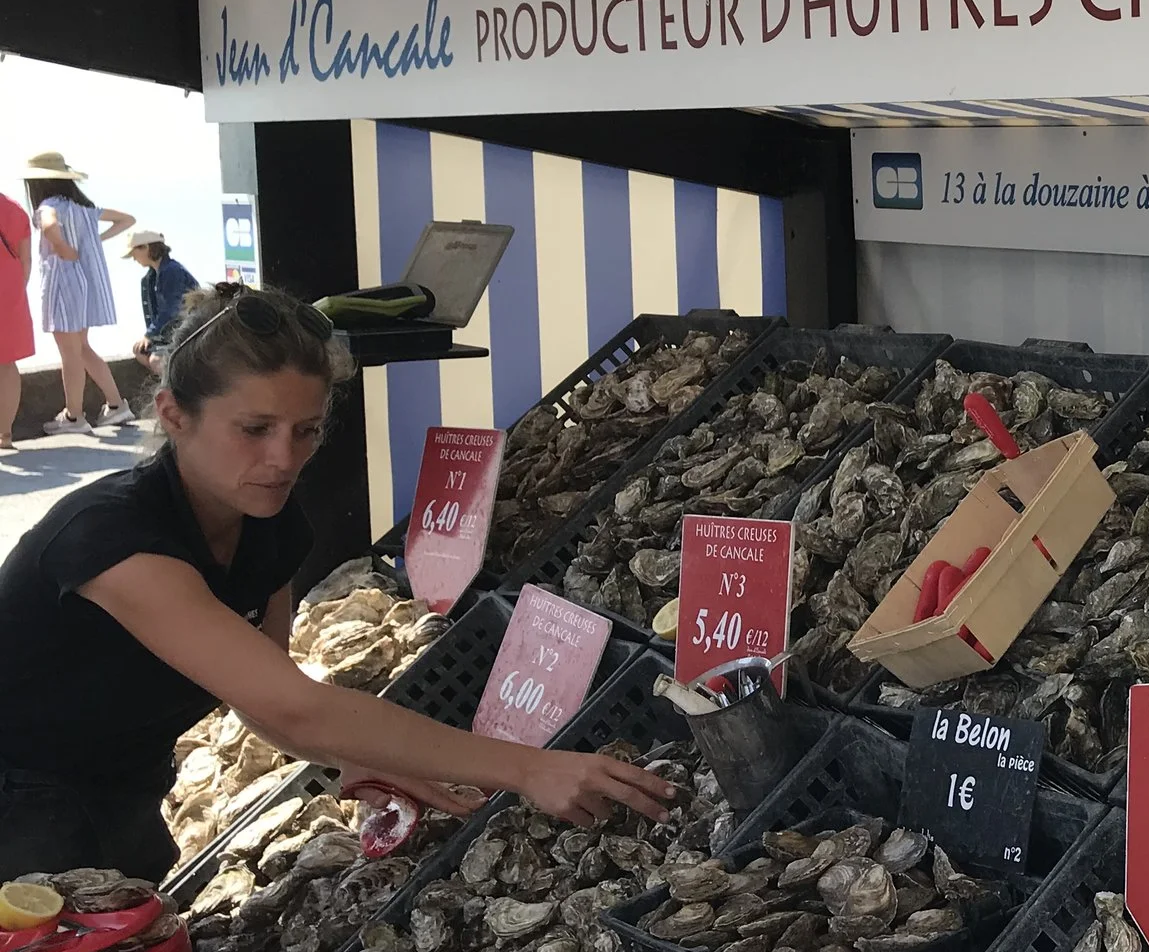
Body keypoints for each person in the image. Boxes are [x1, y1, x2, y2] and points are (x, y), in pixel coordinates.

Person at [0, 281, 675, 882]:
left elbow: (265, 695)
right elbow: (297, 706)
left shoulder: (271, 526)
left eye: (306, 430)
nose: (283, 457)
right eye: (255, 428)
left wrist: (352, 756)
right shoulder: (109, 538)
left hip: (122, 793)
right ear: (175, 414)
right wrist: (530, 767)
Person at [24, 151, 136, 434]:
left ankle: (74, 417)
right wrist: (96, 240)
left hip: (63, 286)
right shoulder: (84, 209)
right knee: (82, 348)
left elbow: (48, 224)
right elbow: (127, 220)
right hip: (87, 285)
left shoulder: (47, 206)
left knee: (70, 353)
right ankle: (115, 405)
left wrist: (61, 247)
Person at [122, 229, 199, 371]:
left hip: (187, 332)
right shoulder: (152, 276)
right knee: (140, 352)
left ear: (146, 248)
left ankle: (176, 389)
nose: (134, 259)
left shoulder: (172, 271)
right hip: (170, 333)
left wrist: (150, 334)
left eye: (134, 254)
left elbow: (172, 309)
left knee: (157, 361)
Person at [0, 188, 29, 453]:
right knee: (7, 364)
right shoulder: (17, 210)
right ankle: (5, 434)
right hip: (10, 290)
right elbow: (25, 260)